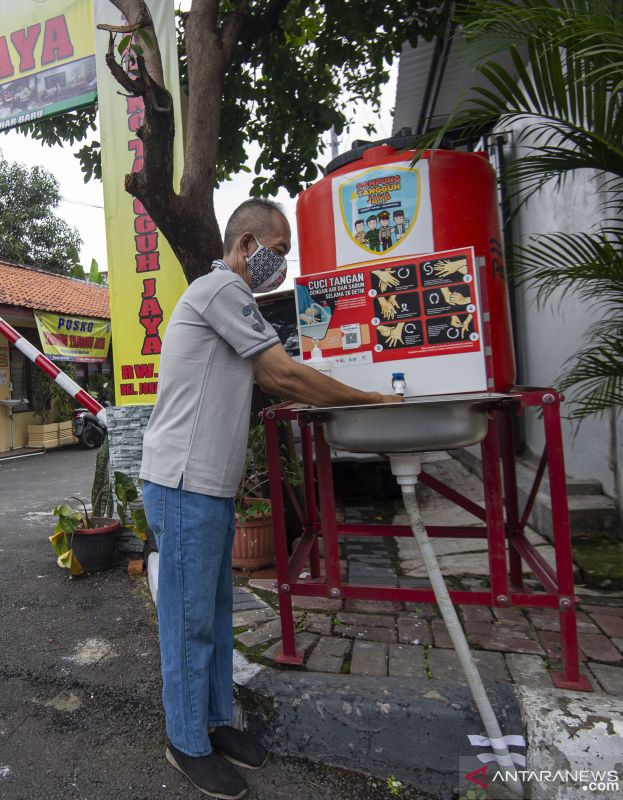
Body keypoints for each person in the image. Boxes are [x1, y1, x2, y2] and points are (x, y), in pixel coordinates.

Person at [140, 199, 400, 800]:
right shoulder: (220, 289)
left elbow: (270, 375)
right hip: (183, 483)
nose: (280, 265)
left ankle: (211, 722)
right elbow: (281, 374)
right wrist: (371, 401)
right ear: (247, 242)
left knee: (213, 616)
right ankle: (186, 740)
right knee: (188, 620)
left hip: (206, 483)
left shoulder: (233, 299)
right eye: (277, 252)